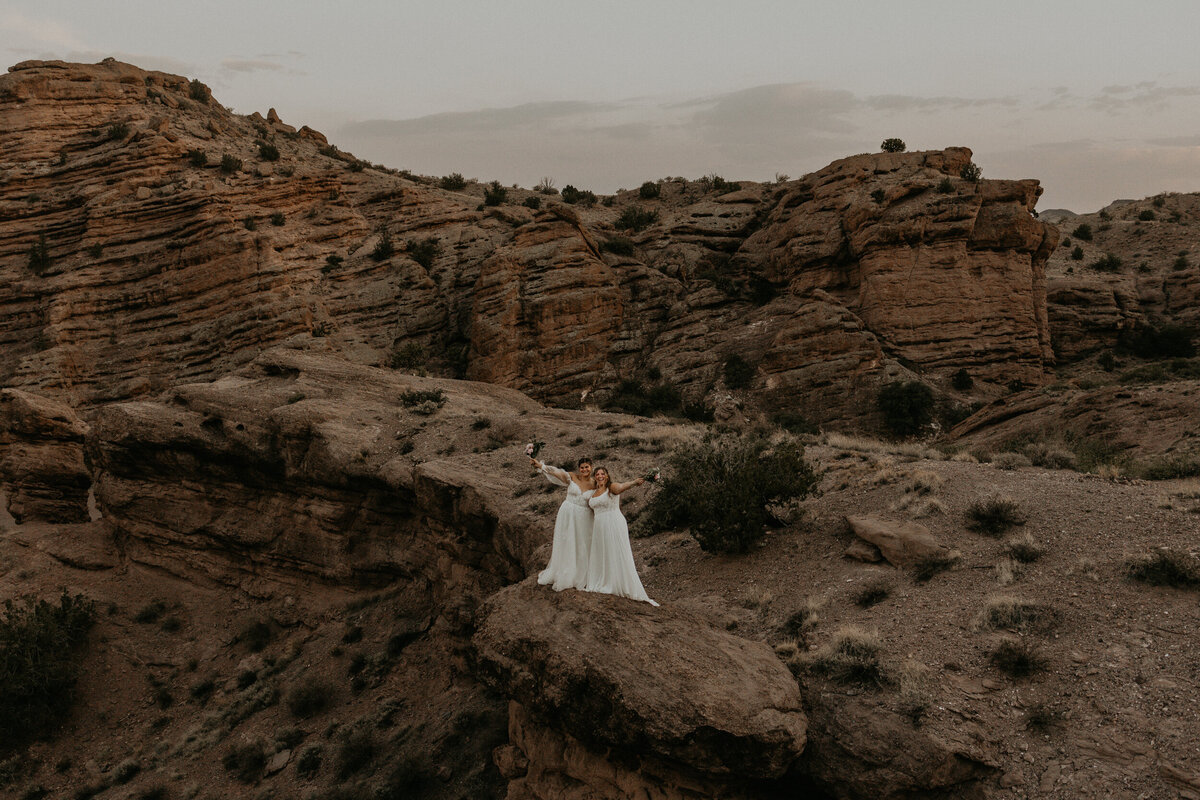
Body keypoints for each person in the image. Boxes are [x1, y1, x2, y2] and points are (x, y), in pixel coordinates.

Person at [584, 467, 658, 606]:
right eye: (597, 474)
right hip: (599, 527)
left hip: (612, 522)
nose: (600, 476)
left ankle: (616, 583)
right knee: (603, 552)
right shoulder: (594, 492)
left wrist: (634, 482)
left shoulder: (611, 487)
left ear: (607, 476)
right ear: (595, 477)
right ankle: (604, 580)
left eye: (603, 474)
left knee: (614, 551)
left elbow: (622, 487)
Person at [531, 456, 595, 591]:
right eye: (582, 467)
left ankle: (581, 573)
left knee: (582, 543)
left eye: (587, 467)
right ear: (579, 468)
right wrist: (541, 466)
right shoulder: (572, 477)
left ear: (591, 467)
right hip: (568, 513)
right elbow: (557, 472)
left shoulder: (595, 483)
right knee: (567, 540)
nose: (584, 469)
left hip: (584, 517)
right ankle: (566, 572)